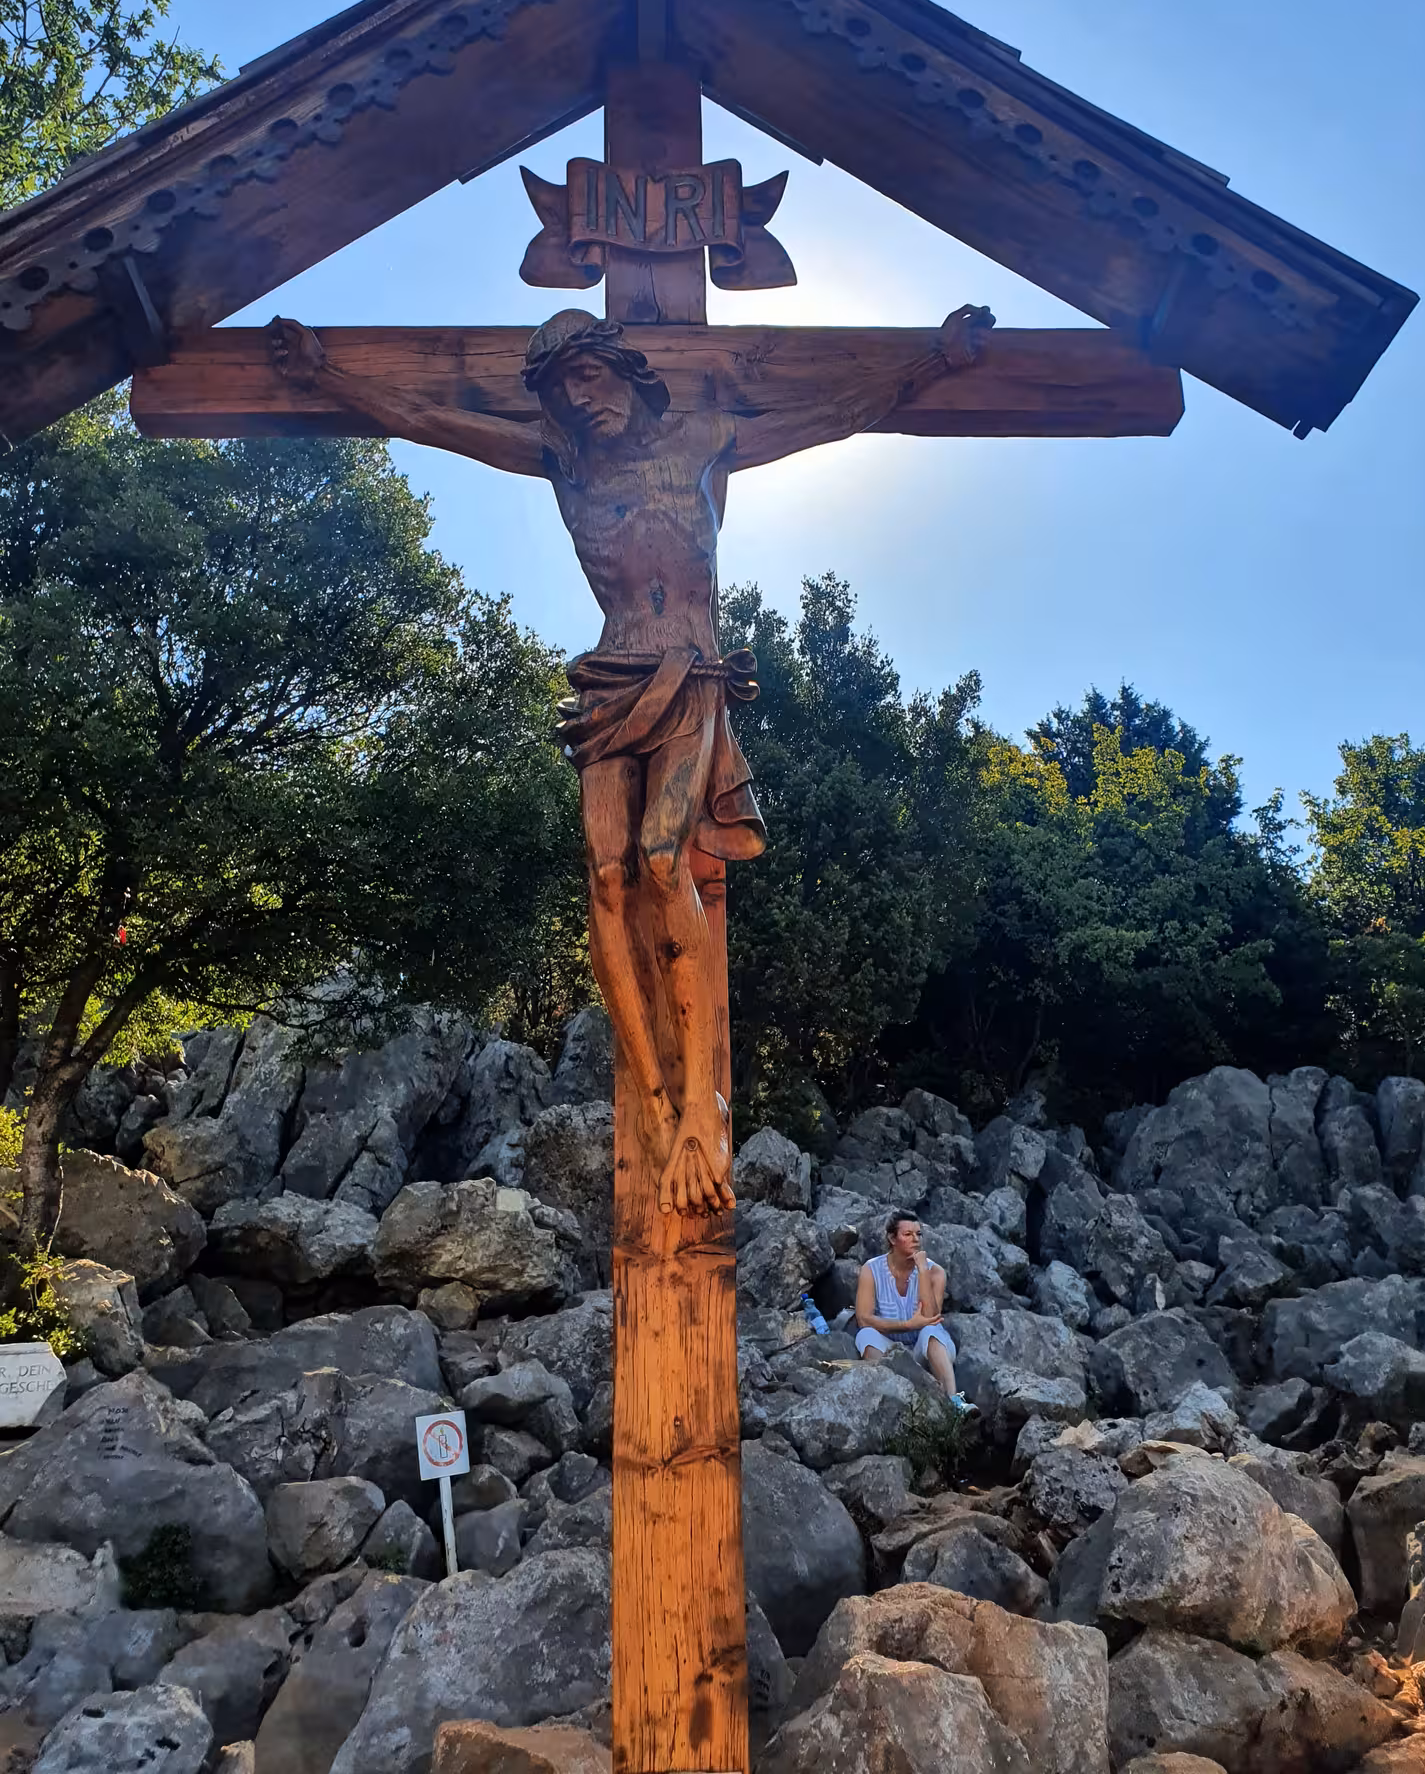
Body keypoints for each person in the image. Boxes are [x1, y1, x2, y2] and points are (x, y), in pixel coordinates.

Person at [268, 305, 992, 1217]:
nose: (581, 397)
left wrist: (931, 358)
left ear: (624, 369)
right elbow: (429, 420)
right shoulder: (566, 461)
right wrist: (326, 375)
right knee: (607, 880)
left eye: (591, 375)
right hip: (610, 680)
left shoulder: (701, 436)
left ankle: (702, 1104)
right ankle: (657, 1100)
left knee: (661, 860)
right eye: (562, 387)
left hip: (690, 677)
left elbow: (833, 414)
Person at [856, 1209, 977, 1414]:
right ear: (892, 1238)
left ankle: (953, 1402)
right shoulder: (871, 1269)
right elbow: (863, 1319)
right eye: (908, 1234)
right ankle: (900, 1397)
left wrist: (922, 1271)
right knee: (865, 1335)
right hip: (891, 1349)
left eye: (918, 1234)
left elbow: (931, 1317)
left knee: (931, 1331)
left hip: (926, 1347)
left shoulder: (935, 1272)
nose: (916, 1240)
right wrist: (906, 1325)